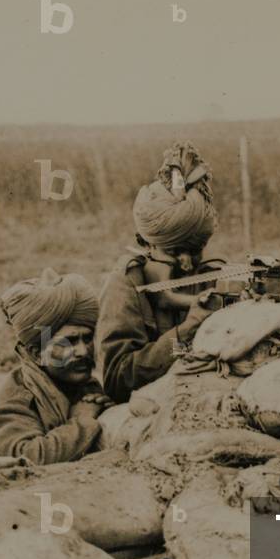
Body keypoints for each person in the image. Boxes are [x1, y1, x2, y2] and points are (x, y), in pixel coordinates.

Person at [96, 141, 221, 403]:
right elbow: (117, 378)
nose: (187, 262)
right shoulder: (127, 285)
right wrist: (187, 332)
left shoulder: (213, 274)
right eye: (175, 252)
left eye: (195, 251)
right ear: (148, 244)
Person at [0, 268, 110, 464]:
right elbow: (30, 458)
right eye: (68, 342)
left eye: (87, 338)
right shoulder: (19, 400)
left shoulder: (81, 383)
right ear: (37, 354)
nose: (83, 351)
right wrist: (82, 422)